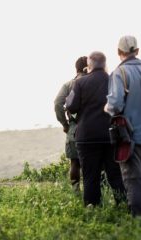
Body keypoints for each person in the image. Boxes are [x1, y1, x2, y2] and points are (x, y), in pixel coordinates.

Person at [66, 51, 126, 206]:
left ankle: (92, 207)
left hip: (87, 136)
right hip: (110, 135)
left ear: (89, 66)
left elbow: (71, 107)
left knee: (90, 176)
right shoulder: (114, 80)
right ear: (105, 64)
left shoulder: (80, 83)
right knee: (115, 174)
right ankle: (123, 205)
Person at [105, 35, 141, 218]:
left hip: (131, 137)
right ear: (137, 51)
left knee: (134, 180)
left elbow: (115, 106)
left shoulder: (119, 74)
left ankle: (138, 221)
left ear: (119, 52)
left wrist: (107, 107)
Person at [54, 56, 87, 192]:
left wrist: (65, 124)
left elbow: (57, 103)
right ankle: (96, 193)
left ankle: (75, 192)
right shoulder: (96, 82)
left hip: (74, 128)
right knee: (97, 163)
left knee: (75, 162)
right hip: (94, 127)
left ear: (76, 68)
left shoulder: (68, 85)